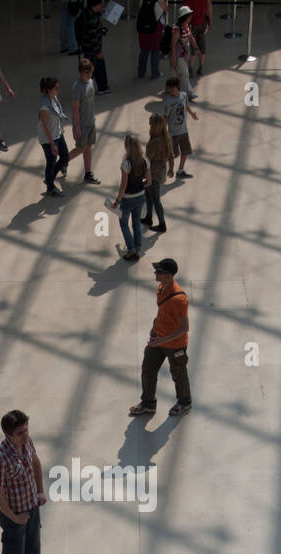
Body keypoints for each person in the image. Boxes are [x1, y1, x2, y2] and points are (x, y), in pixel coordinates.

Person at [0, 409, 58, 554]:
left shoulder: (26, 441)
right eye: (20, 432)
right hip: (14, 512)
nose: (26, 435)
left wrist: (40, 491)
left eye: (26, 430)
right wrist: (13, 516)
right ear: (8, 434)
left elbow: (36, 462)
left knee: (32, 538)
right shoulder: (0, 457)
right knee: (12, 547)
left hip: (31, 504)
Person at [129, 258, 192, 416]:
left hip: (175, 344)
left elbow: (185, 328)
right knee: (148, 370)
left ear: (169, 276)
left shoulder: (179, 299)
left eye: (159, 271)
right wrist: (154, 330)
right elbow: (163, 313)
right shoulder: (161, 288)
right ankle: (148, 403)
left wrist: (162, 340)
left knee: (178, 374)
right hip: (158, 338)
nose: (155, 272)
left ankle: (184, 402)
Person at [112, 132, 149, 262]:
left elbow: (123, 186)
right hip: (140, 197)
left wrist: (117, 201)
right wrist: (140, 185)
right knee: (136, 222)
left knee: (123, 224)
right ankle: (138, 248)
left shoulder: (126, 164)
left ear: (127, 146)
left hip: (127, 199)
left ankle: (131, 250)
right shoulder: (145, 161)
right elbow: (148, 182)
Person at [69, 58, 102, 186]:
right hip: (82, 124)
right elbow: (75, 109)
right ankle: (63, 161)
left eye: (90, 73)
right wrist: (77, 127)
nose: (89, 75)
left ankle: (88, 173)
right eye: (86, 73)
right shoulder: (77, 88)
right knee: (81, 148)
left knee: (88, 147)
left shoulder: (90, 82)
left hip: (91, 121)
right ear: (80, 73)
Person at [37, 76, 70, 197]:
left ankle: (50, 178)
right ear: (49, 90)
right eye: (56, 88)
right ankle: (50, 187)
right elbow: (45, 127)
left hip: (57, 133)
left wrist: (60, 129)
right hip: (48, 138)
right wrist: (52, 145)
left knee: (65, 156)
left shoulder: (54, 98)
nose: (59, 90)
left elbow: (58, 114)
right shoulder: (44, 107)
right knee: (51, 161)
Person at [141, 113, 173, 231]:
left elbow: (148, 158)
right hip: (160, 171)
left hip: (153, 173)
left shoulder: (155, 141)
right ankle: (148, 217)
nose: (149, 126)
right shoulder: (166, 137)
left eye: (150, 125)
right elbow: (171, 155)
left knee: (155, 199)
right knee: (148, 195)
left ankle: (162, 224)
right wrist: (171, 168)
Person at [161, 76, 197, 178]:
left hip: (184, 130)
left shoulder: (184, 95)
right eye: (169, 88)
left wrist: (192, 114)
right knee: (173, 154)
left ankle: (180, 170)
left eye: (173, 88)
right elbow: (165, 117)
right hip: (173, 132)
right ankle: (170, 169)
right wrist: (163, 131)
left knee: (185, 151)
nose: (171, 90)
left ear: (178, 87)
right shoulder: (168, 101)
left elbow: (186, 106)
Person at [75, 0, 111, 94]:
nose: (102, 5)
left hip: (87, 47)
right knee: (94, 68)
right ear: (97, 4)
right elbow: (92, 36)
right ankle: (100, 88)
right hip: (92, 49)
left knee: (92, 68)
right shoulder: (91, 18)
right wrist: (98, 51)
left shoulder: (87, 12)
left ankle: (96, 87)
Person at [170, 6, 202, 99]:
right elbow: (173, 45)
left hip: (184, 53)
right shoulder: (176, 29)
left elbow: (191, 38)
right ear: (185, 17)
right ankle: (186, 93)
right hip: (178, 54)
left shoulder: (187, 26)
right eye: (189, 15)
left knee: (174, 73)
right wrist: (174, 59)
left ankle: (171, 90)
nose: (191, 17)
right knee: (185, 73)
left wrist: (197, 49)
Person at [136, 0, 164, 80]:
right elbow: (165, 10)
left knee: (144, 51)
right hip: (154, 30)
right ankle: (155, 73)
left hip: (143, 31)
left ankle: (141, 73)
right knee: (155, 51)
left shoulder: (142, 1)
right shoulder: (159, 3)